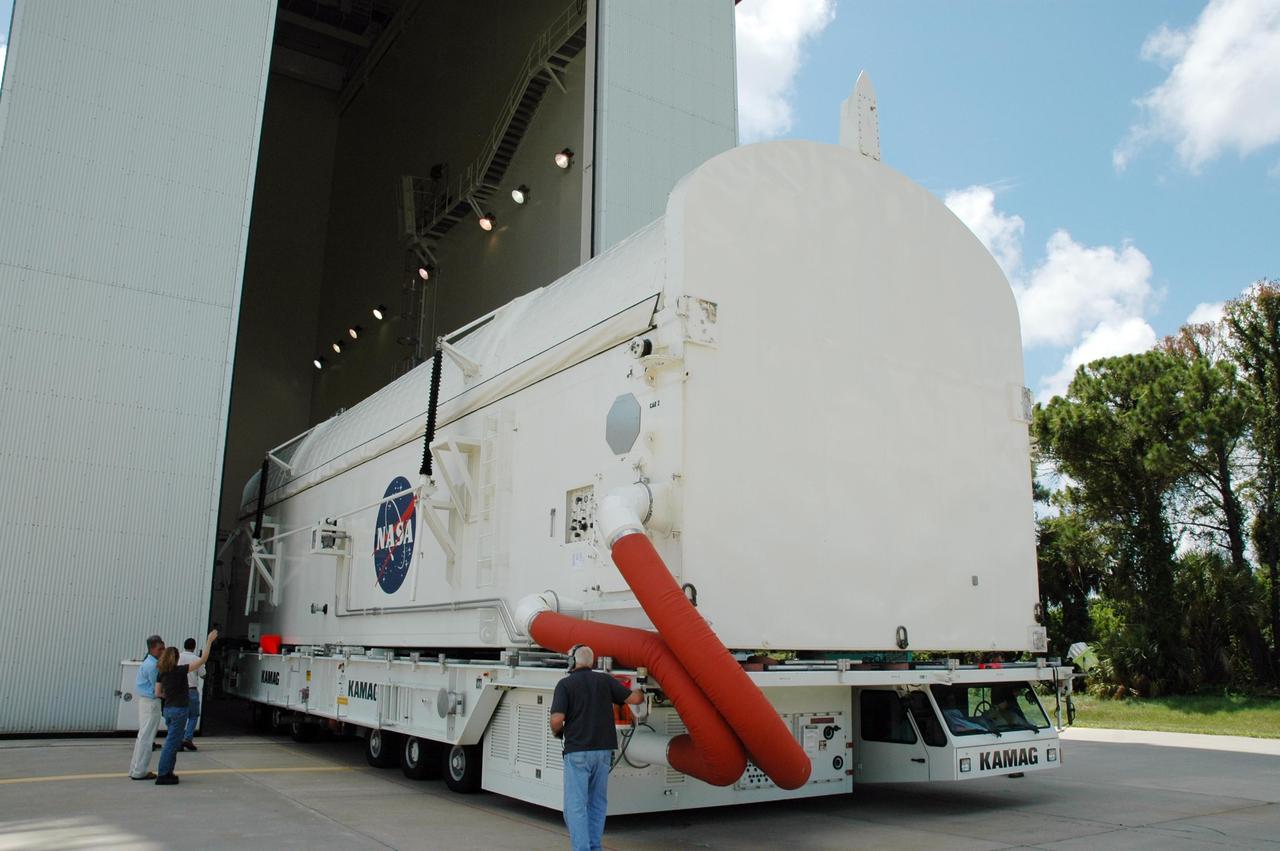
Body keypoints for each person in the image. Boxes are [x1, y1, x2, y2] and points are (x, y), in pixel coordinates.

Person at [549, 645, 644, 851]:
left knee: (575, 807)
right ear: (591, 662)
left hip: (578, 752)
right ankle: (595, 847)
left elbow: (557, 719)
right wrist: (642, 688)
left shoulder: (565, 685)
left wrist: (558, 733)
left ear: (573, 661)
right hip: (603, 752)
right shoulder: (605, 680)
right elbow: (634, 699)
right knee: (597, 804)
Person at [154, 630, 217, 785]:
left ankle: (169, 772)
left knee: (173, 741)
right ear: (175, 658)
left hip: (168, 709)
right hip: (179, 709)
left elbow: (158, 693)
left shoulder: (161, 672)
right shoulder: (179, 671)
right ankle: (163, 774)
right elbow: (203, 660)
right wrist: (209, 641)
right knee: (171, 743)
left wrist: (169, 695)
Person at [128, 635, 165, 780]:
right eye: (160, 649)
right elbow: (158, 689)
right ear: (152, 649)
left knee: (142, 736)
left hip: (145, 701)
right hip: (151, 702)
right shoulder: (153, 666)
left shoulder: (148, 662)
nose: (163, 651)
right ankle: (140, 771)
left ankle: (135, 768)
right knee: (147, 738)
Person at [176, 638, 206, 751]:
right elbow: (203, 675)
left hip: (179, 691)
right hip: (192, 690)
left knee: (180, 716)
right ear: (194, 647)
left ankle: (178, 740)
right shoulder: (197, 659)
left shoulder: (177, 657)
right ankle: (187, 738)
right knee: (193, 716)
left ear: (184, 645)